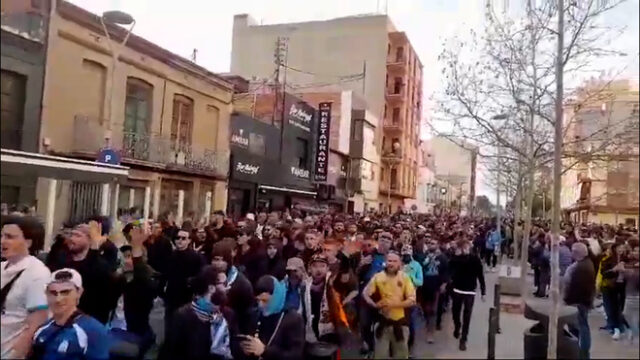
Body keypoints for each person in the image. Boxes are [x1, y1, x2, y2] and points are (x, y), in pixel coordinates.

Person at [160, 266, 239, 360]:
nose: (228, 287)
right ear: (211, 288)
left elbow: (235, 348)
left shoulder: (228, 314)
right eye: (224, 284)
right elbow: (170, 352)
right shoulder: (183, 317)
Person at [30, 268, 110, 360]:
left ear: (79, 292)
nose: (58, 299)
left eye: (65, 292)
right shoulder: (42, 329)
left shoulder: (92, 331)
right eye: (53, 293)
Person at [1, 216, 50, 359]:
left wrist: (19, 352)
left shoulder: (37, 273)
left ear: (28, 242)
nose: (2, 241)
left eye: (10, 237)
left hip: (11, 350)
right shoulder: (2, 268)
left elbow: (38, 320)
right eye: (2, 235)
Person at [50, 220, 115, 324]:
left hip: (89, 321)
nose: (72, 239)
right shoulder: (62, 260)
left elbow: (91, 275)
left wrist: (94, 249)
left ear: (89, 240)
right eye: (71, 235)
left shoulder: (101, 265)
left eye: (78, 236)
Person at [108, 226, 159, 360]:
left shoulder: (147, 279)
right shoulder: (120, 279)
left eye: (130, 256)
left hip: (134, 334)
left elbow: (141, 279)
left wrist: (137, 250)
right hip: (113, 330)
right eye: (125, 257)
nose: (126, 260)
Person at [362, 251, 416, 359]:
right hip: (382, 323)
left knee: (401, 356)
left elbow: (412, 300)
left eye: (394, 261)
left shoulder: (405, 278)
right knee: (380, 356)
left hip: (401, 324)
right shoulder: (378, 277)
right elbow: (365, 293)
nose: (391, 263)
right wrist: (374, 305)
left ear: (399, 264)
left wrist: (394, 304)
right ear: (385, 262)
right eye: (389, 261)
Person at [239, 275, 305, 360]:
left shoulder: (293, 319)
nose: (261, 305)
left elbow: (295, 355)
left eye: (265, 301)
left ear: (276, 296)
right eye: (258, 300)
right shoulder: (256, 315)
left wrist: (265, 351)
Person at [449, 239, 486, 351]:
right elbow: (450, 268)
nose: (465, 249)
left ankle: (463, 339)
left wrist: (483, 292)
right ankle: (457, 326)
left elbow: (480, 275)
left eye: (467, 247)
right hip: (457, 289)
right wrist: (456, 256)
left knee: (467, 315)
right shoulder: (456, 258)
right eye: (463, 247)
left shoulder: (475, 259)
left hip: (470, 290)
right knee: (455, 312)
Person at [164, 228, 205, 328]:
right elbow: (165, 274)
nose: (180, 240)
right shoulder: (171, 255)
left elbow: (201, 276)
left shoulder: (196, 257)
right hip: (171, 295)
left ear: (189, 240)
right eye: (178, 238)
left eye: (183, 238)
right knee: (169, 322)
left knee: (183, 324)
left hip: (187, 296)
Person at [211, 240, 254, 332]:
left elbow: (247, 315)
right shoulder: (207, 278)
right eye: (215, 259)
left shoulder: (241, 284)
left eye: (222, 260)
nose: (218, 264)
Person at [563, 242, 596, 359]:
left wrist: (568, 300)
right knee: (580, 327)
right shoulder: (585, 264)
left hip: (578, 302)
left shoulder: (581, 267)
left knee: (581, 328)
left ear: (577, 253)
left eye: (572, 251)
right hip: (581, 302)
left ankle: (582, 353)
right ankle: (580, 350)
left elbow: (577, 287)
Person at [420, 237, 449, 342]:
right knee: (425, 309)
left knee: (433, 310)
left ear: (437, 245)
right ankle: (428, 324)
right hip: (424, 286)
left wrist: (444, 284)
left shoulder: (442, 258)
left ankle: (430, 333)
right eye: (429, 243)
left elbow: (446, 272)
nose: (430, 244)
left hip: (436, 286)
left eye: (433, 243)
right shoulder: (424, 256)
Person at [600, 242, 627, 339]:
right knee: (610, 308)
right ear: (614, 248)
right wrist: (614, 269)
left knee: (620, 308)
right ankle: (615, 327)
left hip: (622, 287)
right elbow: (604, 273)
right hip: (609, 287)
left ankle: (619, 327)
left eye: (623, 247)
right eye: (619, 247)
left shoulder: (627, 259)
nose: (621, 250)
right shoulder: (607, 259)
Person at [400, 244, 423, 350]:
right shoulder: (397, 264)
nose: (406, 254)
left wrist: (411, 276)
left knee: (410, 324)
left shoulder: (417, 265)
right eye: (404, 252)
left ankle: (410, 347)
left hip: (410, 298)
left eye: (408, 252)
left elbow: (420, 282)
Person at [623, 238, 639, 344]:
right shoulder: (631, 263)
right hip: (630, 292)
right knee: (632, 315)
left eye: (637, 251)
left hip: (634, 294)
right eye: (635, 251)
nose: (635, 253)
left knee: (627, 313)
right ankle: (634, 333)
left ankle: (635, 334)